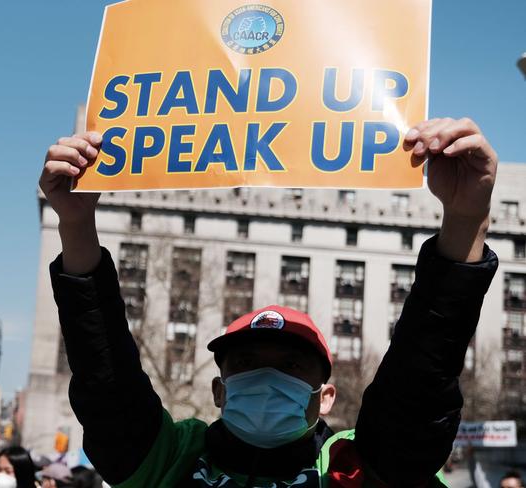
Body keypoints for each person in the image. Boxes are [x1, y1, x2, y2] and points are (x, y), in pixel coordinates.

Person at [39, 117, 499, 487]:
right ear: (218, 391)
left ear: (326, 398)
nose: (267, 376)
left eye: (292, 366)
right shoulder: (170, 461)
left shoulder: (358, 469)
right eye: (245, 362)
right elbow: (106, 381)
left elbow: (421, 376)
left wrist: (466, 219)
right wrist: (76, 225)